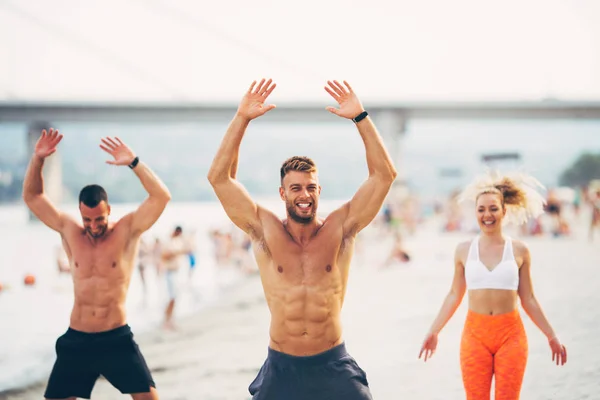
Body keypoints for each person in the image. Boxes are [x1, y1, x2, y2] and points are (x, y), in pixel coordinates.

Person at [208, 78, 397, 400]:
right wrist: (242, 119)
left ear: (319, 190)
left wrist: (360, 117)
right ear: (283, 193)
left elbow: (384, 176)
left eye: (310, 187)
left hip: (332, 363)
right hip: (282, 367)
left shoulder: (340, 228)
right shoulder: (264, 230)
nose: (304, 195)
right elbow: (219, 178)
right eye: (296, 188)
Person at [23, 129, 171, 400]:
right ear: (80, 212)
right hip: (78, 338)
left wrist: (134, 162)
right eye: (87, 220)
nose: (93, 226)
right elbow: (33, 198)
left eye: (99, 220)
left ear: (108, 210)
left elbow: (161, 197)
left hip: (116, 338)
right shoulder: (69, 230)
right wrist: (38, 160)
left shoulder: (126, 231)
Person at [418, 171, 567, 400]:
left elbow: (528, 299)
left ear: (504, 211)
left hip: (511, 335)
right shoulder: (464, 250)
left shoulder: (519, 250)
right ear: (476, 213)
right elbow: (454, 295)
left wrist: (551, 336)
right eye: (481, 209)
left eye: (493, 208)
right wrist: (434, 331)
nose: (487, 214)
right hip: (475, 335)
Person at [160, 226, 191, 330]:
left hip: (177, 272)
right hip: (170, 272)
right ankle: (166, 320)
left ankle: (170, 319)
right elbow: (164, 255)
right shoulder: (168, 242)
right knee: (172, 297)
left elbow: (189, 249)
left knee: (175, 297)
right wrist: (177, 252)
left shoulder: (178, 241)